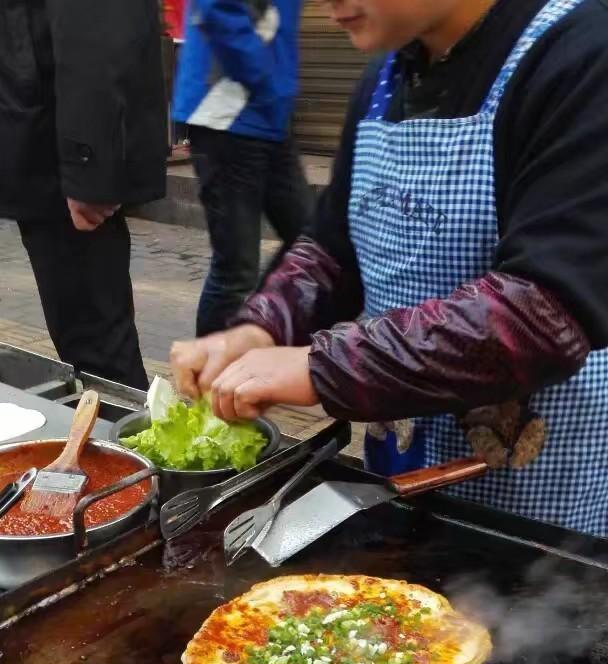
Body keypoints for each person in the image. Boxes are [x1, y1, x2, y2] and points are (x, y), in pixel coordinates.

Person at [170, 0, 608, 537]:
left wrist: (320, 368)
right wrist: (259, 329)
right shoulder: (384, 77)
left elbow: (542, 311)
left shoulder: (582, 54)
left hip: (537, 499)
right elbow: (332, 247)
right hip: (402, 468)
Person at [0, 0, 168, 390]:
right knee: (92, 348)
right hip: (29, 128)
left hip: (52, 143)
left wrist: (87, 161)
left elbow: (96, 18)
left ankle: (121, 447)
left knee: (101, 361)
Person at [172, 0, 314, 337]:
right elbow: (215, 9)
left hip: (269, 116)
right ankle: (205, 379)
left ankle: (257, 328)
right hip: (226, 114)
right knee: (235, 268)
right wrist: (265, 80)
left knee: (309, 240)